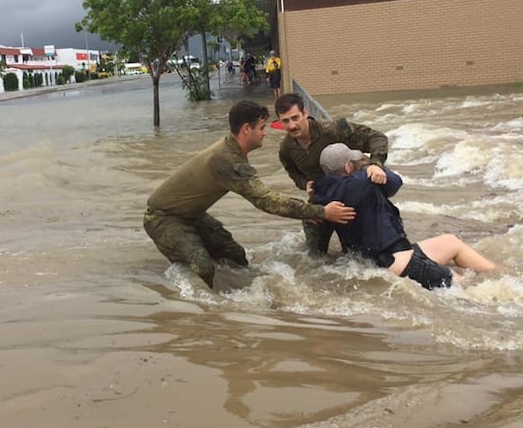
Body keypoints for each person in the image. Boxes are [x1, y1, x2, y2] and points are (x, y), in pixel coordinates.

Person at [144, 101, 356, 289]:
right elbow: (267, 201)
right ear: (247, 129)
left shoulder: (232, 151)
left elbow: (267, 196)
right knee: (203, 265)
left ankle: (245, 295)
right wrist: (322, 212)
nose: (265, 133)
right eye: (262, 128)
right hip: (163, 218)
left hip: (191, 215)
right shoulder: (227, 160)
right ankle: (209, 313)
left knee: (234, 254)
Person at [311, 143, 496, 289]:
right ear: (348, 167)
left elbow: (317, 240)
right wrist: (373, 166)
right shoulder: (362, 182)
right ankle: (503, 285)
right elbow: (395, 183)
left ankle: (499, 273)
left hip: (381, 261)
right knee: (464, 285)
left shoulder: (318, 199)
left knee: (451, 242)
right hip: (396, 262)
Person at [275, 93, 389, 255]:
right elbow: (293, 172)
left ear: (305, 113)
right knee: (313, 259)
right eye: (285, 121)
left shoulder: (335, 129)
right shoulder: (286, 148)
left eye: (295, 118)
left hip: (351, 201)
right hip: (321, 204)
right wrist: (305, 183)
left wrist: (376, 164)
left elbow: (376, 137)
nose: (292, 125)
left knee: (357, 259)